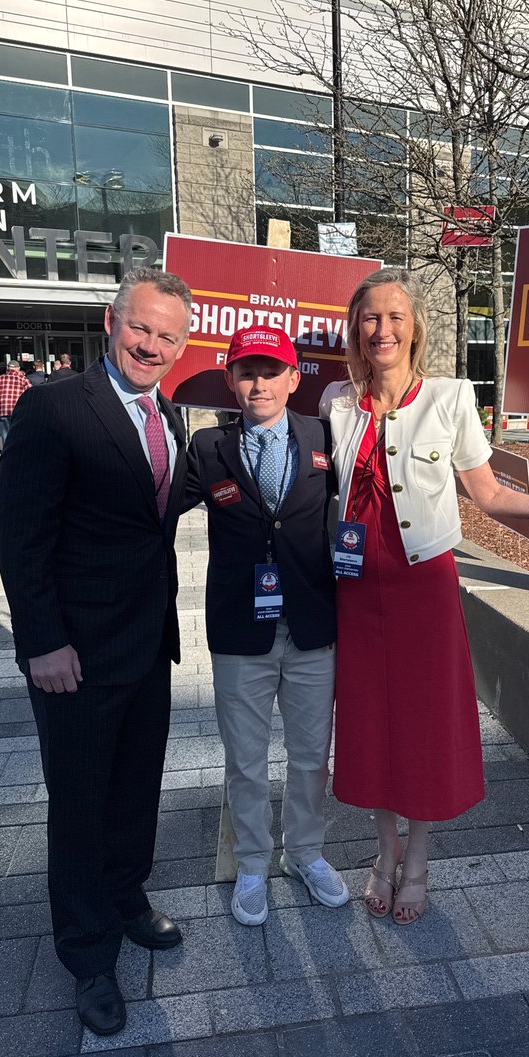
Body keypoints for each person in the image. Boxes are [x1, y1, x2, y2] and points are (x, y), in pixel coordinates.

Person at [320, 267, 529, 925]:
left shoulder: (450, 399)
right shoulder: (335, 402)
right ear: (355, 328)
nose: (383, 329)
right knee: (369, 720)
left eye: (396, 317)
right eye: (371, 317)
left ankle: (420, 857)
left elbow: (488, 494)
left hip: (424, 590)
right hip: (356, 593)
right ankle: (383, 849)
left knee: (426, 720)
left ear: (415, 329)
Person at [0, 267, 192, 1037]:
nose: (151, 344)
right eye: (141, 327)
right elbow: (20, 534)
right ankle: (87, 956)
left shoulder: (168, 418)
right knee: (79, 804)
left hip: (147, 646)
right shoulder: (53, 408)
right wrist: (42, 640)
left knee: (136, 787)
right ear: (112, 321)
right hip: (72, 654)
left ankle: (126, 897)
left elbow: (152, 516)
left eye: (167, 336)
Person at [183, 326, 347, 925]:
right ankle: (253, 861)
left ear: (293, 379)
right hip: (239, 633)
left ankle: (306, 853)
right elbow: (151, 509)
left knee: (310, 756)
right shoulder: (207, 449)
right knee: (246, 760)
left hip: (310, 628)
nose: (259, 383)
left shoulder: (323, 435)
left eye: (271, 371)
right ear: (231, 380)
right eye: (247, 372)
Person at [0, 360, 31, 445]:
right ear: (18, 368)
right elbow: (30, 392)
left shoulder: (0, 378)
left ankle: (7, 454)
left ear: (8, 368)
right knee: (18, 432)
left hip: (3, 410)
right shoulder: (22, 378)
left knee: (5, 433)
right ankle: (17, 453)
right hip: (18, 409)